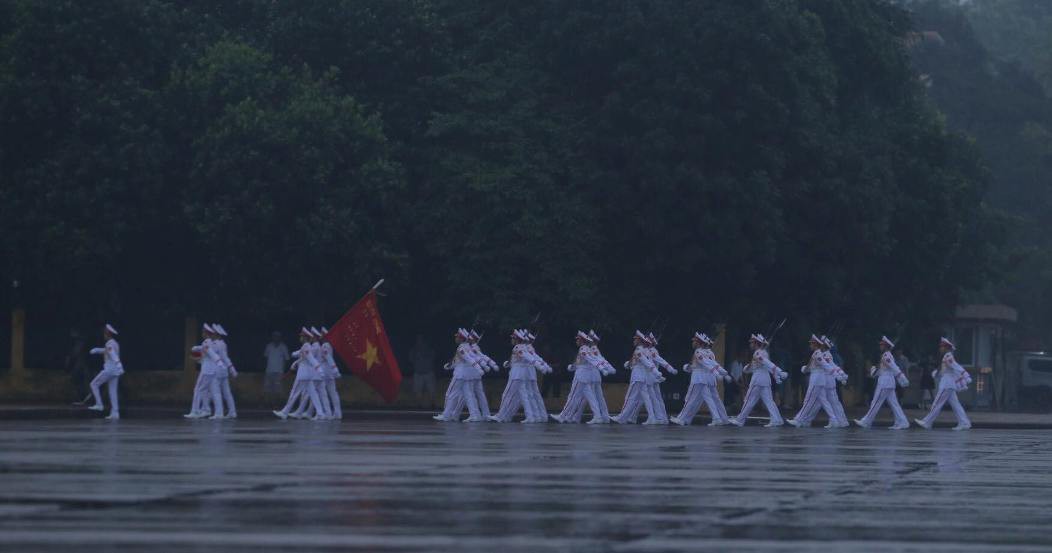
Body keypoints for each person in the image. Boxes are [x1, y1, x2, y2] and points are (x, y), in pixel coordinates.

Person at [550, 330, 613, 424]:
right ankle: (597, 416)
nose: (576, 341)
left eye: (578, 339)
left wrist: (602, 368)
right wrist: (572, 367)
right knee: (590, 398)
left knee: (572, 397)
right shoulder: (586, 349)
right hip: (584, 376)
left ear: (582, 340)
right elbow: (581, 362)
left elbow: (591, 360)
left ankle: (562, 416)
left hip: (581, 376)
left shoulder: (584, 349)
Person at [671, 332, 731, 426]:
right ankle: (721, 418)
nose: (693, 343)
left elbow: (705, 363)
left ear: (699, 342)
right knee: (713, 399)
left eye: (694, 341)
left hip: (699, 378)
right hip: (708, 378)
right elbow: (713, 364)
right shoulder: (710, 353)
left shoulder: (698, 352)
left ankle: (681, 418)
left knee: (691, 399)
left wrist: (719, 374)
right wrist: (724, 373)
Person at [492, 329, 550, 423]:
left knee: (507, 395)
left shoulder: (518, 347)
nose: (511, 340)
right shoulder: (525, 347)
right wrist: (509, 364)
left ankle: (500, 416)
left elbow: (527, 357)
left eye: (513, 338)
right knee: (526, 396)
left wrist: (540, 365)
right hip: (524, 373)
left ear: (516, 339)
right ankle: (533, 416)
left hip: (516, 374)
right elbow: (521, 359)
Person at [915, 337, 972, 430]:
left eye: (942, 347)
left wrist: (965, 375)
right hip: (948, 383)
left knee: (937, 403)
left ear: (946, 348)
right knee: (956, 405)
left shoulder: (948, 356)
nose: (940, 349)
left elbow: (956, 366)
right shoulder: (946, 356)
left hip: (947, 384)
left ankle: (927, 422)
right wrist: (936, 373)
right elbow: (946, 370)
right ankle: (965, 423)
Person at [730, 334, 786, 427]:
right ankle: (777, 419)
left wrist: (779, 372)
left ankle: (740, 420)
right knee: (769, 401)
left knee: (748, 400)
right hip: (765, 379)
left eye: (752, 343)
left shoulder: (758, 353)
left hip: (757, 379)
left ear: (756, 343)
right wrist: (777, 376)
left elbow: (767, 363)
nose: (750, 344)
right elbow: (759, 367)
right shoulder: (764, 353)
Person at [854, 336, 910, 429]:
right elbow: (885, 370)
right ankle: (902, 421)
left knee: (876, 402)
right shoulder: (886, 355)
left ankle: (866, 421)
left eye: (882, 345)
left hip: (885, 383)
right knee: (894, 404)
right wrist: (875, 372)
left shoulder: (886, 355)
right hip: (887, 382)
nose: (880, 346)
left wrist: (902, 377)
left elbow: (894, 367)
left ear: (886, 346)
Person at [433, 328, 487, 422]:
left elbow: (468, 360)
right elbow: (459, 361)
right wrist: (450, 366)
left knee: (450, 394)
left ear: (461, 338)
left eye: (457, 337)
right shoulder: (468, 347)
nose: (456, 339)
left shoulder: (462, 347)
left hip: (460, 374)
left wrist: (480, 368)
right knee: (469, 395)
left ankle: (446, 415)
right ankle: (475, 415)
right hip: (465, 374)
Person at [788, 335, 841, 428]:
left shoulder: (817, 354)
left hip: (817, 380)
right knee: (824, 401)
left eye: (811, 344)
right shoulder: (816, 353)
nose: (810, 345)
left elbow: (825, 365)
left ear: (815, 344)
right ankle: (834, 419)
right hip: (817, 379)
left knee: (808, 400)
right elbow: (811, 367)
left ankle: (798, 419)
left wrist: (836, 374)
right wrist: (804, 369)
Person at [612, 331, 663, 424]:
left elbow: (646, 363)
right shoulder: (643, 350)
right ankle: (652, 417)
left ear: (639, 340)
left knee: (629, 398)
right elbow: (636, 362)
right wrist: (628, 364)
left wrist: (656, 373)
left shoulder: (639, 350)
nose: (634, 341)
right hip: (641, 377)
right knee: (646, 398)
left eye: (635, 339)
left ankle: (621, 417)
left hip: (637, 377)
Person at [86, 323, 124, 420]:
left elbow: (112, 354)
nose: (103, 335)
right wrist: (97, 350)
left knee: (93, 384)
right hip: (115, 371)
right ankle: (115, 413)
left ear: (107, 334)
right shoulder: (114, 343)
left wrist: (119, 364)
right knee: (113, 391)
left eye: (104, 333)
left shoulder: (109, 344)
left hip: (110, 370)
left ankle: (99, 405)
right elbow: (107, 351)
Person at [644, 332, 678, 424]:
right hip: (653, 376)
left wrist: (670, 369)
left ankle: (660, 417)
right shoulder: (649, 350)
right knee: (656, 398)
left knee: (653, 398)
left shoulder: (651, 351)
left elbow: (661, 361)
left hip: (651, 377)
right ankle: (662, 418)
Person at [212, 323, 238, 419]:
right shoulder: (223, 344)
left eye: (213, 333)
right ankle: (232, 411)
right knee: (227, 392)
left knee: (216, 392)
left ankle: (219, 413)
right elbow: (226, 358)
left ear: (217, 334)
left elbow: (224, 357)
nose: (212, 334)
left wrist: (232, 369)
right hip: (224, 371)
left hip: (217, 370)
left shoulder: (216, 344)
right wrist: (231, 369)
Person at [409, 334, 437, 403]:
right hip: (418, 373)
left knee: (431, 391)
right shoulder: (414, 350)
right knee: (417, 391)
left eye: (421, 339)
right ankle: (419, 406)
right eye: (418, 339)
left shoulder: (429, 349)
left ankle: (433, 405)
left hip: (428, 373)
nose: (419, 341)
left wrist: (424, 356)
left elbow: (433, 357)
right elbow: (410, 359)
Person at [262, 331, 290, 399]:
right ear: (272, 337)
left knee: (278, 389)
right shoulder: (269, 346)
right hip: (269, 370)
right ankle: (267, 404)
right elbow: (265, 358)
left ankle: (277, 404)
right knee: (267, 388)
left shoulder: (283, 347)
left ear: (280, 338)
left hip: (279, 371)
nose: (276, 338)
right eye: (274, 336)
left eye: (277, 336)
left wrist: (284, 371)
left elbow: (287, 359)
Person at [65, 329, 90, 404]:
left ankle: (83, 396)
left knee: (79, 379)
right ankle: (82, 396)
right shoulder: (75, 342)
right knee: (77, 380)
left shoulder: (80, 342)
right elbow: (72, 354)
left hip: (80, 364)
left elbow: (75, 353)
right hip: (78, 364)